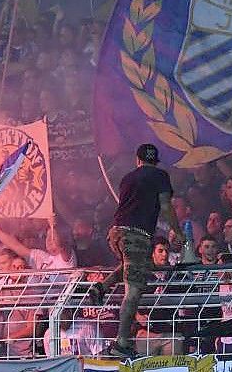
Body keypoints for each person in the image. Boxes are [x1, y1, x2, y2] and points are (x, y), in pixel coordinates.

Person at [87, 143, 184, 358]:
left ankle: (102, 287)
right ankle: (121, 343)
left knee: (139, 264)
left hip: (116, 233)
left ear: (138, 160)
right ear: (155, 161)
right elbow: (166, 206)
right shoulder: (160, 175)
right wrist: (177, 231)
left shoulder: (128, 178)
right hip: (136, 236)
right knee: (133, 290)